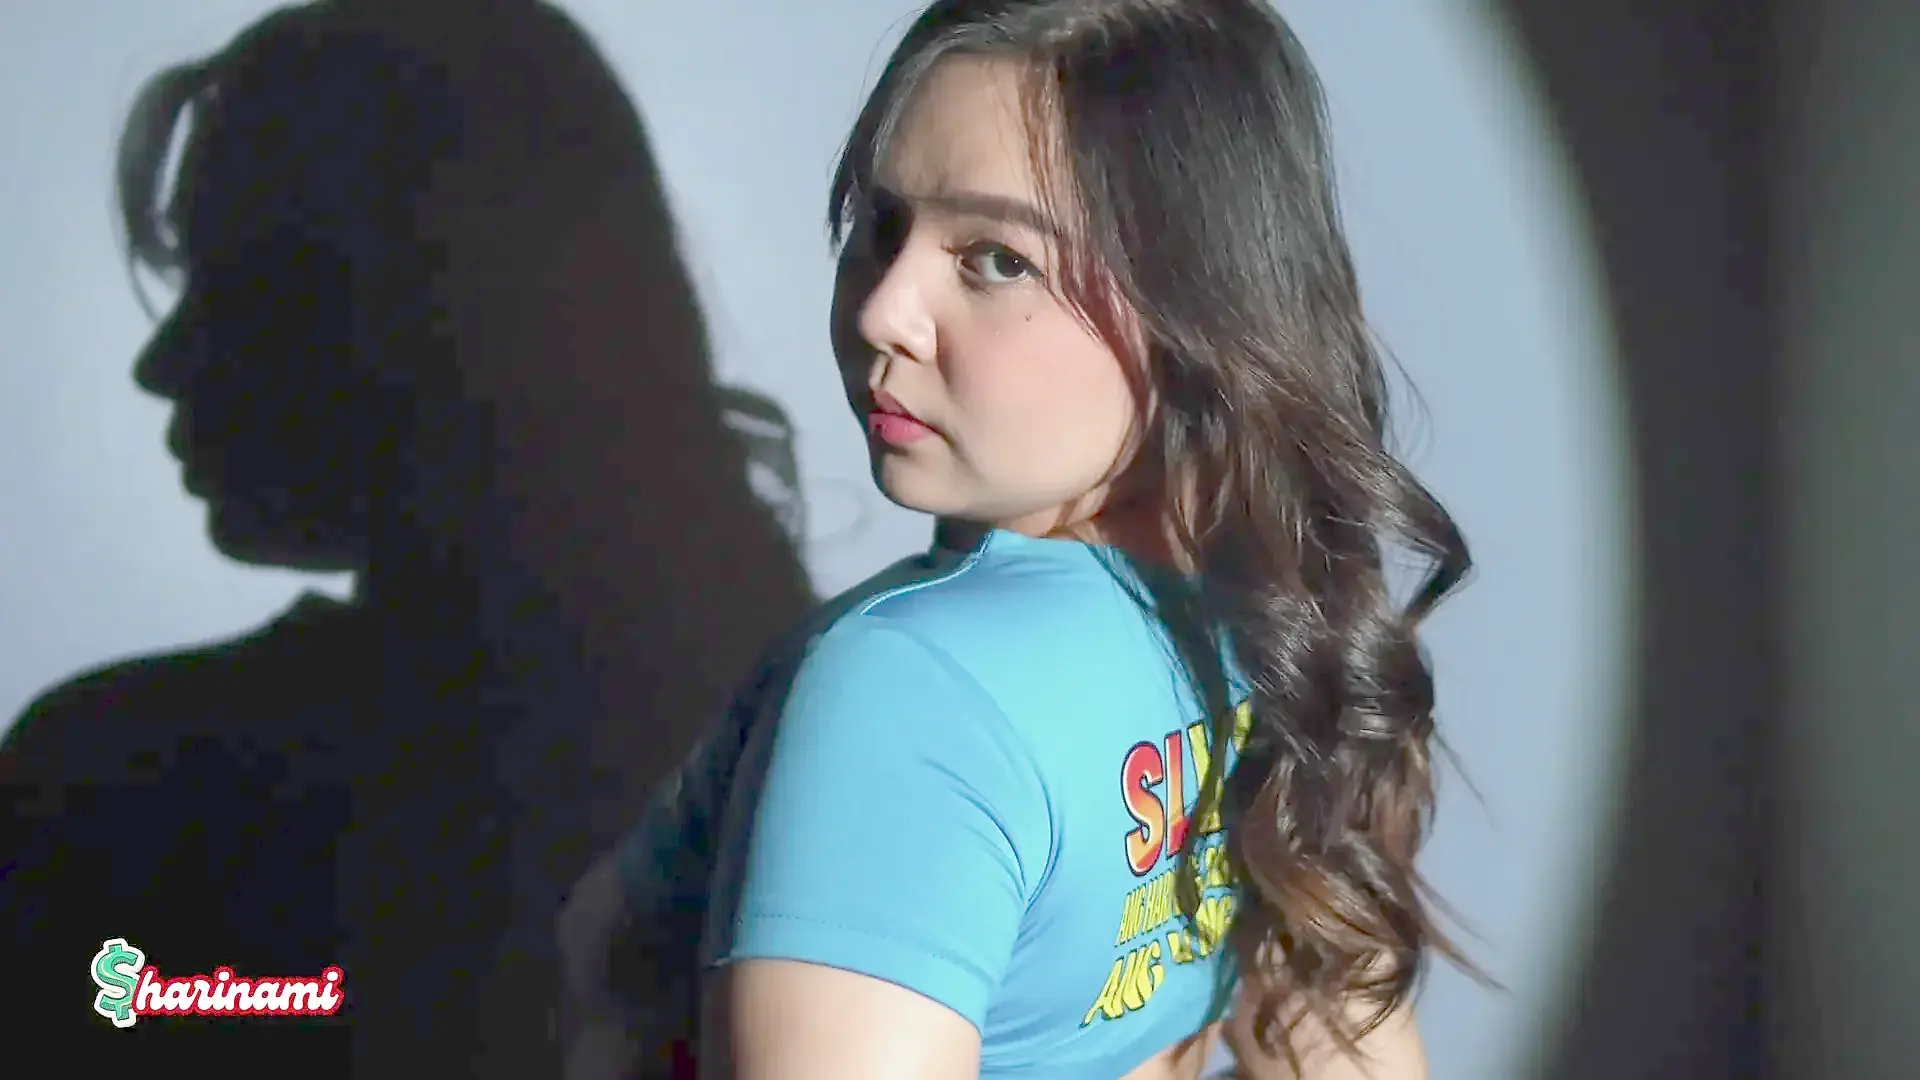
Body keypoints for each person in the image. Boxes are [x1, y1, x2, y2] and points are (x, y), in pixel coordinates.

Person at [562, 0, 1476, 1078]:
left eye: (997, 259)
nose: (885, 309)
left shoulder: (915, 687)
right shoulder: (1272, 617)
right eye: (884, 223)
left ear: (1200, 306)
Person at [0, 1, 813, 1075]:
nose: (163, 362)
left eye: (235, 280)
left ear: (424, 305)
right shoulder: (821, 770)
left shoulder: (121, 790)